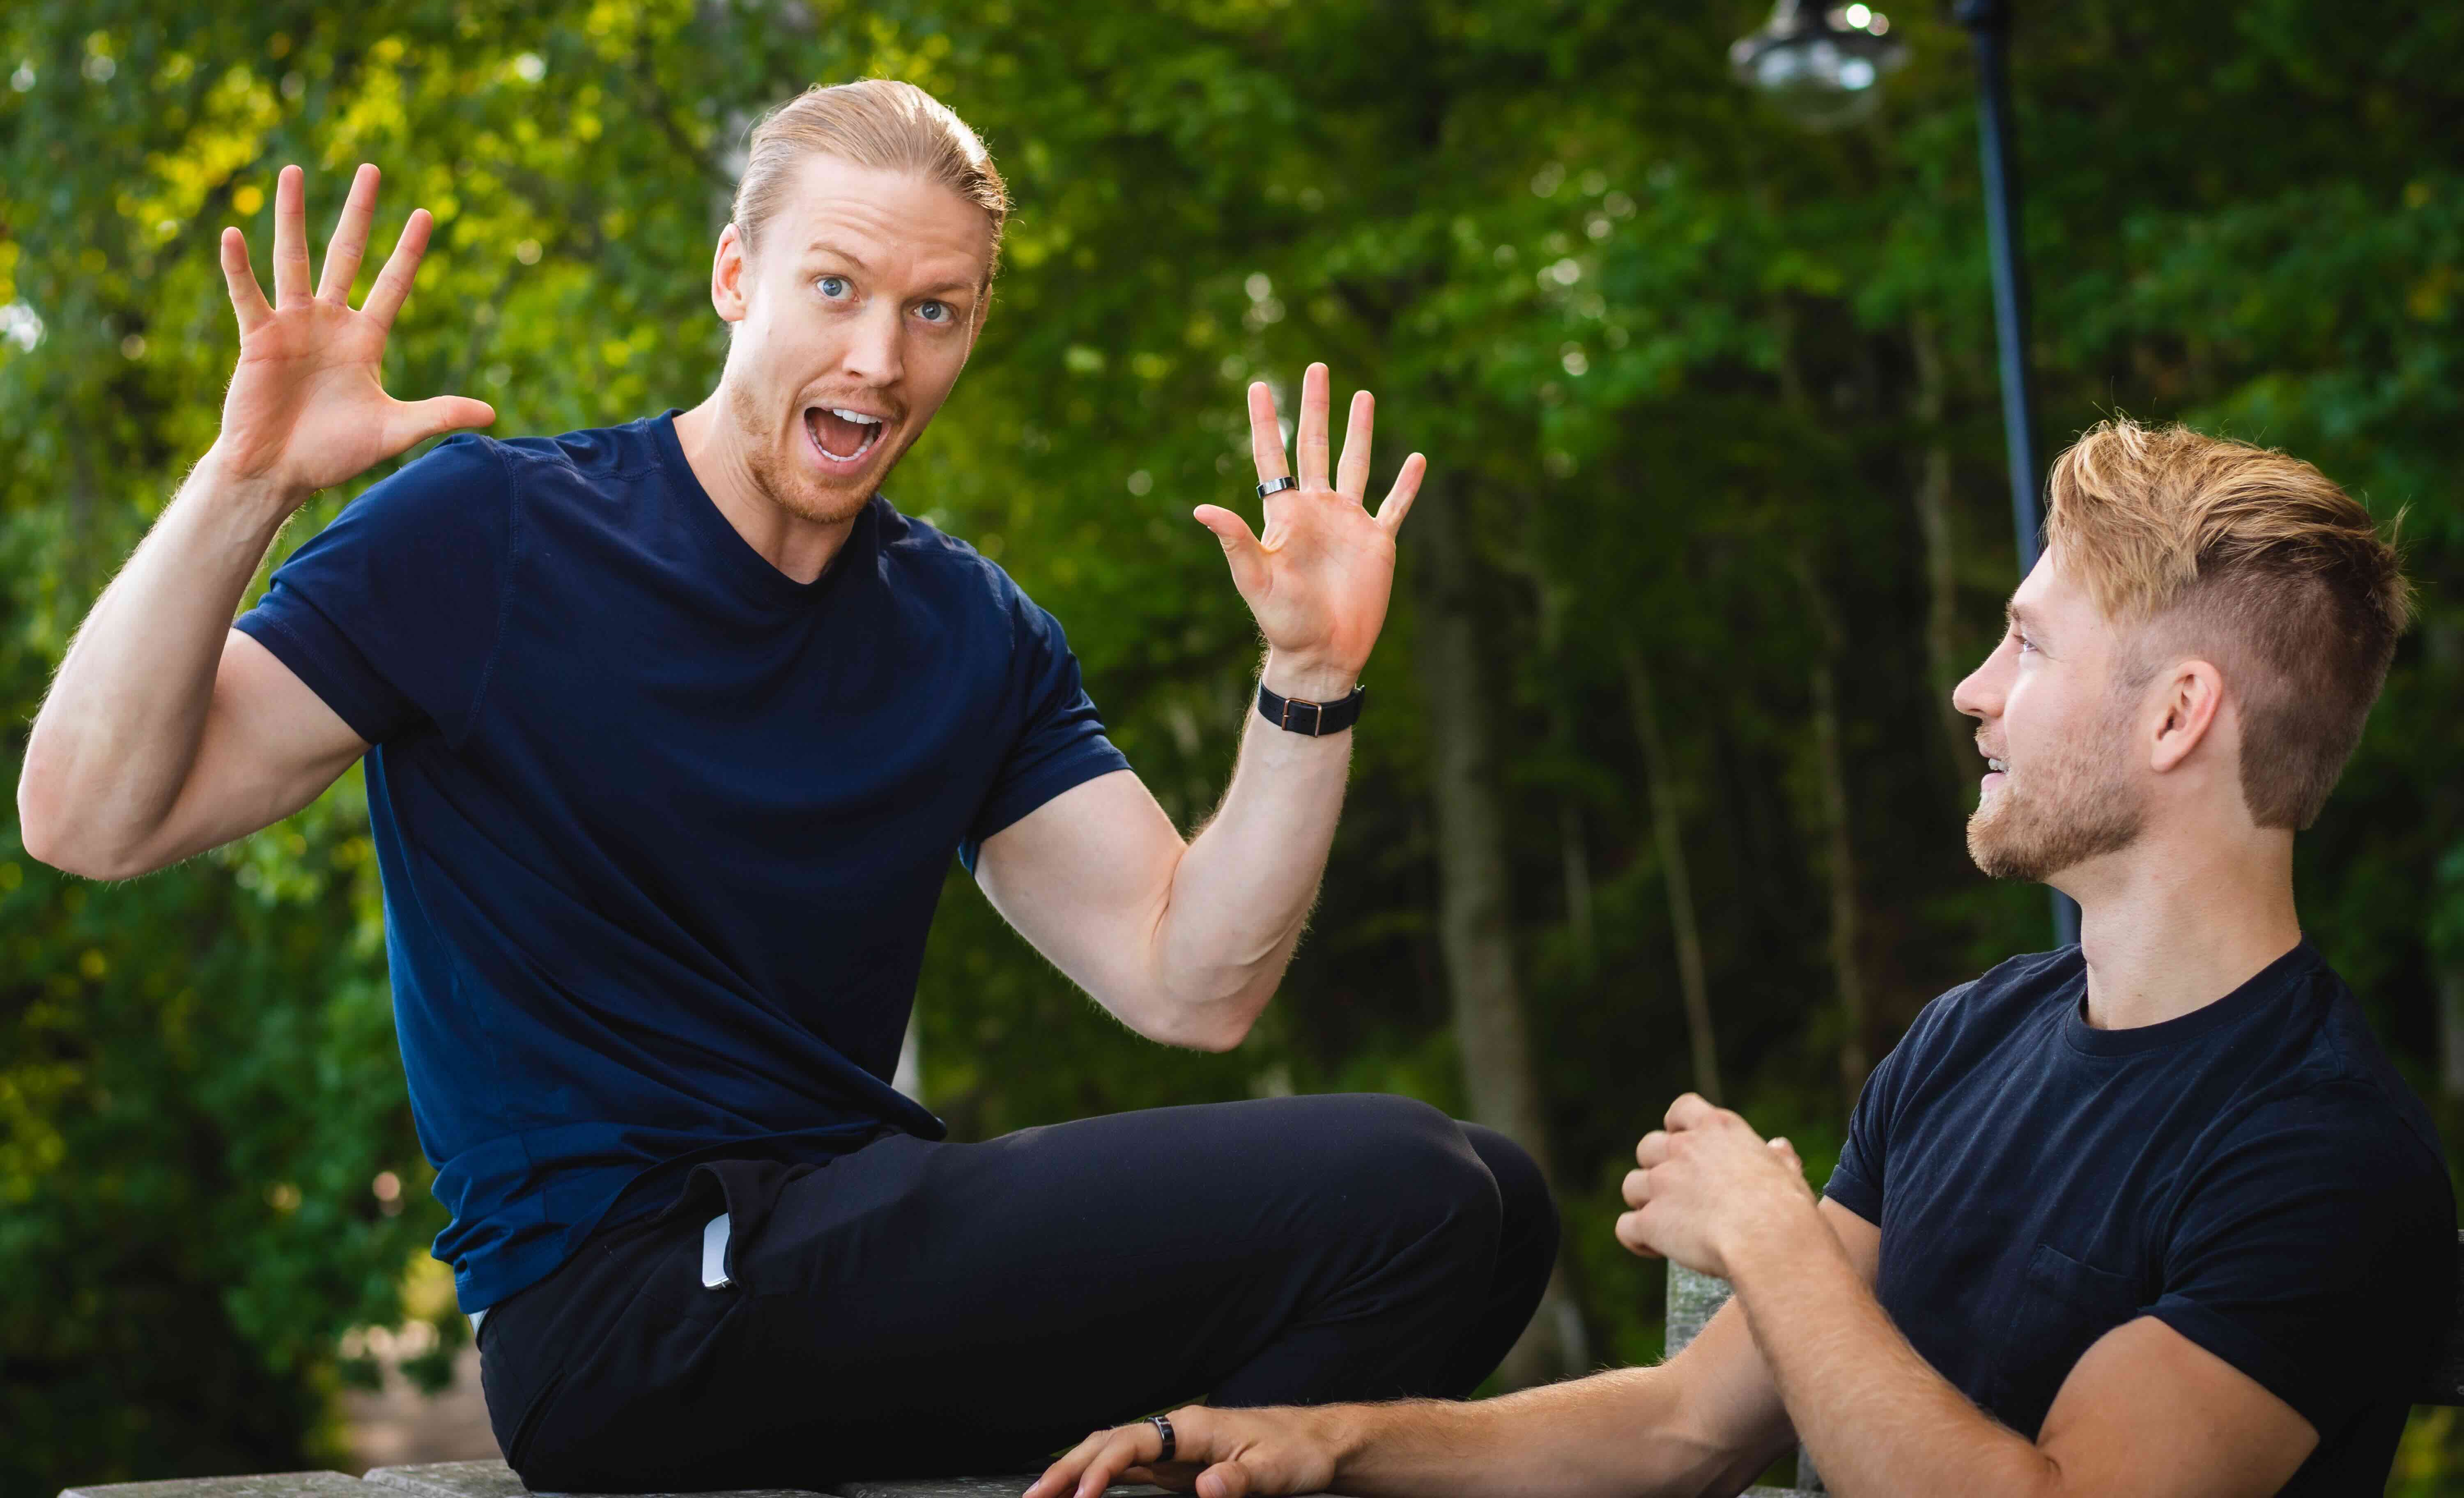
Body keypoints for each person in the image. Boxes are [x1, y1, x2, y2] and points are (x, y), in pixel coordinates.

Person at [14, 80, 1558, 1487]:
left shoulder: (967, 630)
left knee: (1497, 1218)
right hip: (622, 1304)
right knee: (1412, 1190)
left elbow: (1192, 981)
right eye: (836, 287)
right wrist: (247, 483)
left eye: (935, 311)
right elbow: (85, 818)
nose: (881, 357)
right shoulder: (488, 534)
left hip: (847, 1251)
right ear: (735, 278)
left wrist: (1311, 679)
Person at [1036, 419, 2456, 1498]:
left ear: (2178, 716)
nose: (1973, 691)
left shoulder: (2318, 1160)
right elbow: (1684, 1427)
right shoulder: (1971, 1038)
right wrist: (1330, 1440)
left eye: (2028, 646)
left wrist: (1772, 1239)